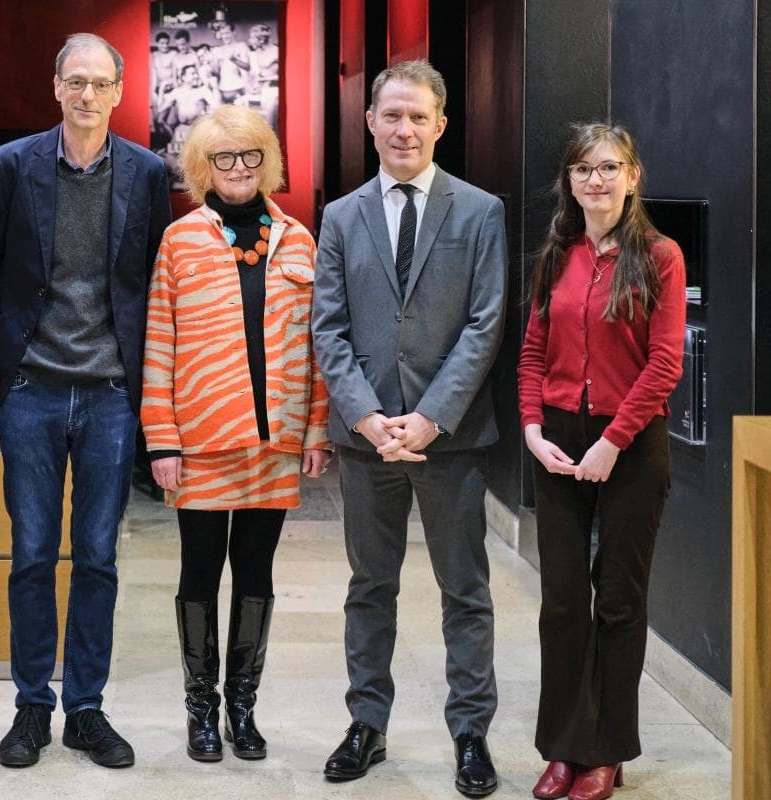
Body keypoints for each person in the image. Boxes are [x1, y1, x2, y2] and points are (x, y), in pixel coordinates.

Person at [0, 32, 172, 770]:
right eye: (75, 81)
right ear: (56, 86)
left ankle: (86, 707)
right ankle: (32, 706)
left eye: (100, 83)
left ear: (119, 92)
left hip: (111, 394)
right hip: (33, 389)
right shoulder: (13, 164)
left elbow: (152, 274)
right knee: (30, 555)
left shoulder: (148, 172)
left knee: (97, 557)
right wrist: (23, 342)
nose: (87, 95)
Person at [311, 60, 506, 798]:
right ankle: (367, 724)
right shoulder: (341, 215)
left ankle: (470, 734)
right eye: (391, 115)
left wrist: (429, 418)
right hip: (367, 441)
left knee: (465, 590)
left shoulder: (479, 211)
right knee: (370, 586)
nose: (404, 129)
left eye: (418, 116)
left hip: (450, 437)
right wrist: (366, 416)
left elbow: (485, 324)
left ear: (440, 124)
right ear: (370, 122)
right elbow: (327, 327)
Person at [142, 104, 331, 762]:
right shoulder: (180, 240)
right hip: (200, 440)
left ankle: (242, 710)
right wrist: (161, 439)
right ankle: (200, 710)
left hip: (275, 441)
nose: (239, 168)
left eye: (251, 155)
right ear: (203, 167)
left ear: (267, 162)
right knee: (199, 573)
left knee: (256, 574)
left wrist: (316, 429)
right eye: (223, 157)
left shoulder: (300, 240)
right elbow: (159, 344)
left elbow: (317, 347)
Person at [519, 124, 685, 800]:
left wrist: (612, 441)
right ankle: (564, 747)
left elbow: (665, 362)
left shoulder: (661, 256)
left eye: (609, 167)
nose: (596, 179)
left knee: (618, 600)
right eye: (584, 168)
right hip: (558, 439)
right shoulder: (556, 255)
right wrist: (532, 430)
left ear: (633, 176)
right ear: (570, 180)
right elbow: (532, 353)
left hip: (633, 442)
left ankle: (607, 753)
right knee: (562, 601)